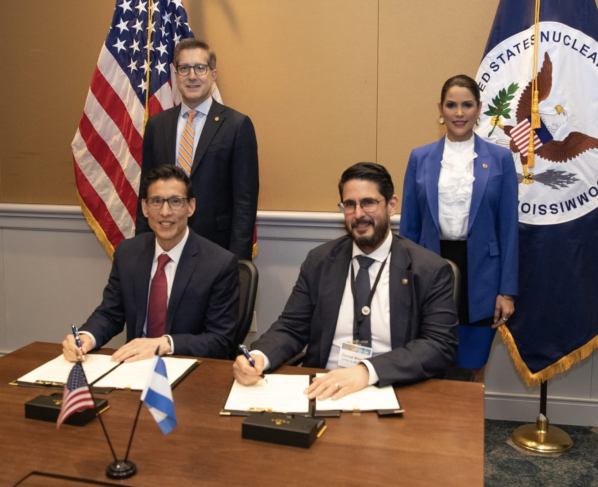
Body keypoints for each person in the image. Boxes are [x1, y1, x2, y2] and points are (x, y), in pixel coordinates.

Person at [233, 163, 458, 401]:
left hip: (392, 387)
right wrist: (259, 356)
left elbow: (439, 344)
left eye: (368, 203)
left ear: (391, 205)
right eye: (350, 204)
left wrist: (367, 371)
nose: (358, 214)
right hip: (323, 387)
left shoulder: (429, 270)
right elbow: (292, 327)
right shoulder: (320, 261)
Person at [400, 75, 518, 382]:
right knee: (428, 362)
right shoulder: (419, 157)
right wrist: (402, 282)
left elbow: (508, 229)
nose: (459, 112)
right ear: (440, 109)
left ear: (479, 109)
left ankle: (467, 416)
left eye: (467, 105)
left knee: (472, 365)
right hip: (429, 269)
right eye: (451, 105)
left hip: (482, 276)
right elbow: (409, 228)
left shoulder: (501, 159)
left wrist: (506, 291)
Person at [63, 165, 239, 363]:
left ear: (191, 206)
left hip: (188, 366)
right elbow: (110, 313)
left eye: (176, 202)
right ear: (145, 208)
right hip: (134, 365)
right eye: (156, 201)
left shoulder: (219, 264)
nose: (165, 212)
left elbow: (220, 340)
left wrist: (166, 344)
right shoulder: (128, 253)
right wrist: (86, 337)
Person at [136, 38, 259, 261]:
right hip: (164, 246)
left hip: (217, 250)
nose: (192, 76)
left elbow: (245, 202)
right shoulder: (157, 125)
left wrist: (238, 262)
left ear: (213, 74)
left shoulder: (237, 126)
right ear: (176, 75)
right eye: (184, 68)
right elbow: (146, 194)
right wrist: (142, 253)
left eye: (200, 68)